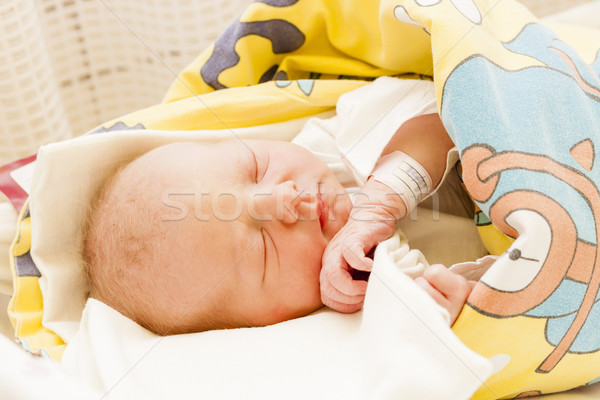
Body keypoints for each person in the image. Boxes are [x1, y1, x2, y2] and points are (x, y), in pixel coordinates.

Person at [83, 77, 475, 335]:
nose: (284, 199)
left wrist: (379, 205)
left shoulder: (332, 143)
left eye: (257, 168)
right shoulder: (338, 325)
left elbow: (443, 111)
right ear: (261, 324)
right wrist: (451, 309)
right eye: (263, 250)